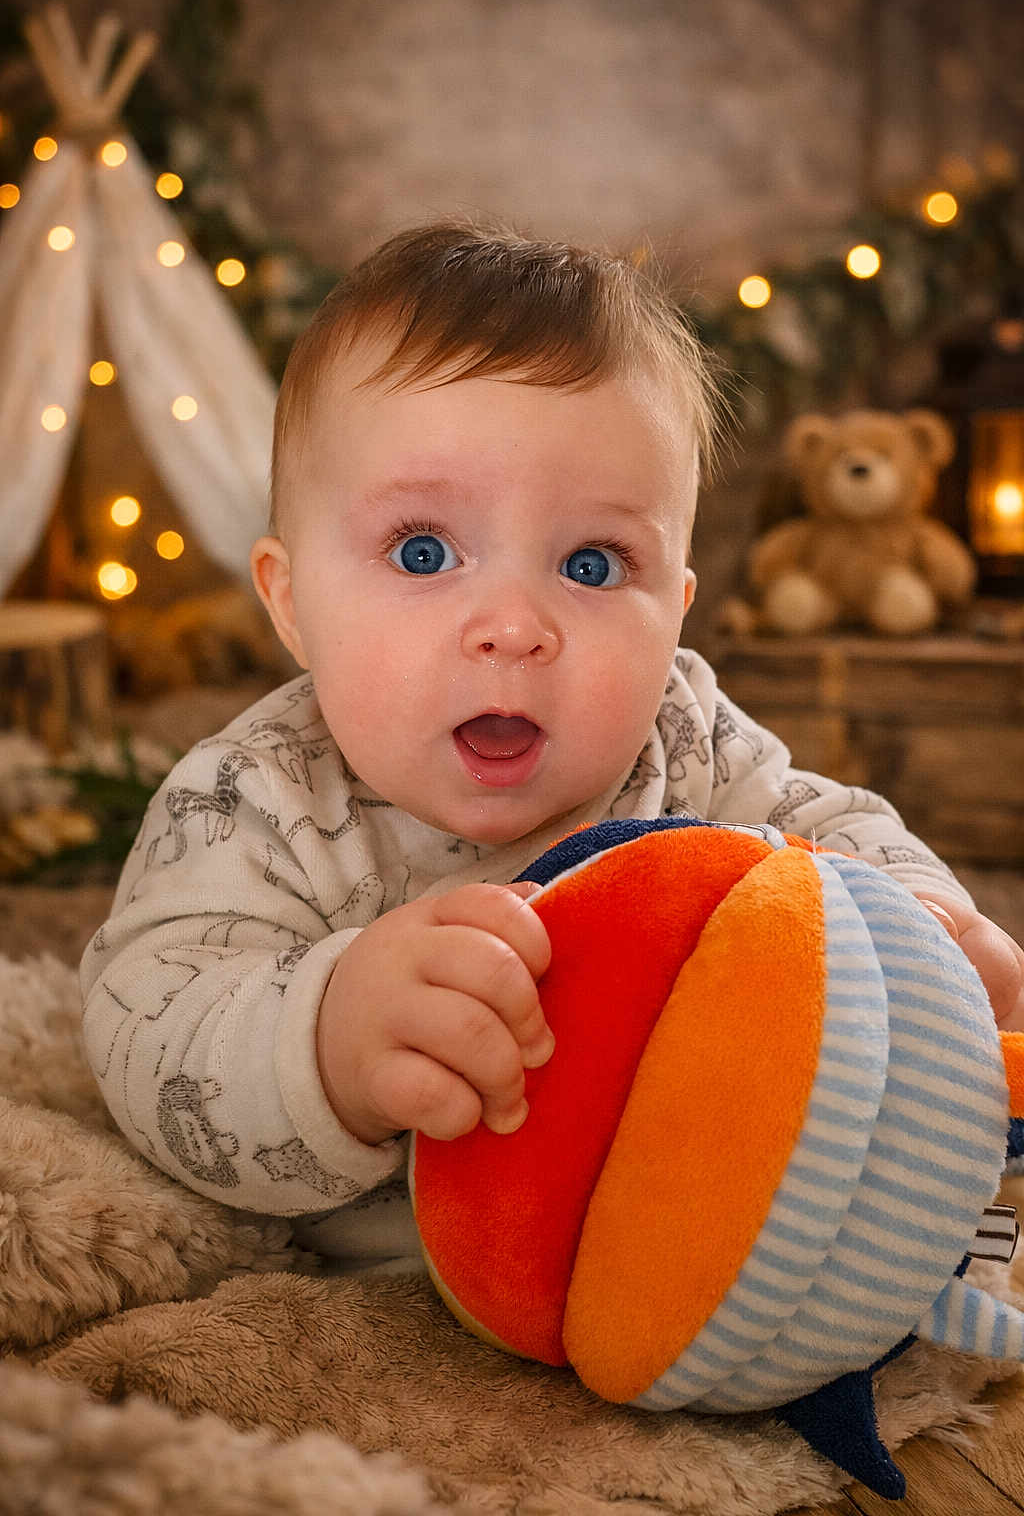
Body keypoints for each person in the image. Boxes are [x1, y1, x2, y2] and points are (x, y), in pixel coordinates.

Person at [80, 221, 1024, 1272]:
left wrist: (922, 922)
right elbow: (142, 1025)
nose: (514, 627)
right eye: (423, 552)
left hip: (682, 1250)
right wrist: (331, 1040)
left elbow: (828, 827)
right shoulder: (251, 800)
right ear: (292, 601)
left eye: (591, 565)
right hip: (398, 1286)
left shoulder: (681, 740)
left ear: (675, 611)